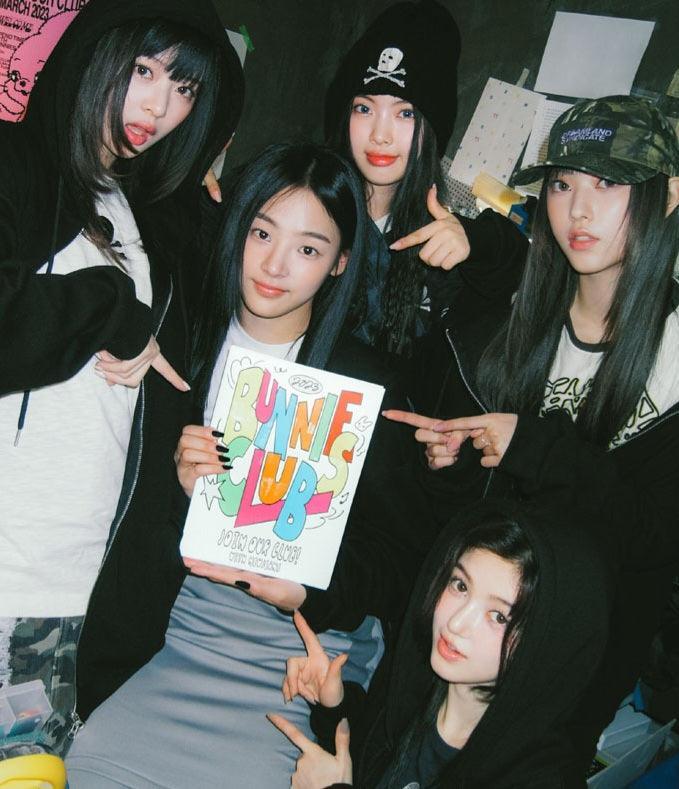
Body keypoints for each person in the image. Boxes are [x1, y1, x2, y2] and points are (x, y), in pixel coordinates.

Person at [65, 142, 418, 788]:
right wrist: (177, 484)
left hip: (295, 647)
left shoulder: (364, 384)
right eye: (262, 233)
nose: (275, 265)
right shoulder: (178, 343)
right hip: (177, 618)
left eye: (308, 249)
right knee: (88, 766)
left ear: (339, 262)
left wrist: (305, 589)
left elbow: (398, 559)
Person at [384, 95, 679, 763]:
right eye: (562, 184)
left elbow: (653, 538)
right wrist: (452, 465)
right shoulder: (515, 317)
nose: (578, 210)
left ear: (667, 198)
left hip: (566, 677)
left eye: (608, 184)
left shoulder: (671, 361)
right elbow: (468, 517)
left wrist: (535, 449)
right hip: (454, 639)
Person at [0, 0, 243, 755]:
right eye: (142, 70)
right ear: (94, 52)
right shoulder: (17, 163)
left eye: (185, 89)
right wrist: (110, 306)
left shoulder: (154, 220)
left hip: (74, 599)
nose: (158, 108)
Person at [270, 500, 611, 787]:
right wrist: (335, 707)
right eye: (461, 585)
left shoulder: (539, 779)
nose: (456, 623)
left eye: (499, 616)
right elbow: (369, 758)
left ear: (547, 644)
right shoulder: (418, 681)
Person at [324, 0, 528, 356]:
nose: (380, 135)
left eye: (405, 113)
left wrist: (474, 240)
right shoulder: (310, 204)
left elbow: (521, 264)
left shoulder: (441, 229)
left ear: (432, 129)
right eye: (364, 108)